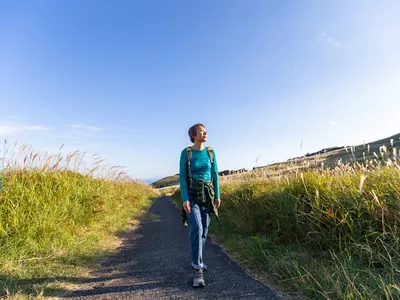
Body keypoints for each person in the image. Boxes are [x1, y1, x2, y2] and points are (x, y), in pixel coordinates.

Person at [179, 123, 221, 288]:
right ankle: (197, 269)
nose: (205, 134)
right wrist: (184, 198)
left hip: (208, 194)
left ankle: (199, 261)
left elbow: (215, 174)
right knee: (196, 228)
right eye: (202, 132)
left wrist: (217, 195)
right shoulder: (187, 153)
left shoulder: (210, 152)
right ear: (194, 135)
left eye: (206, 131)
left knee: (204, 231)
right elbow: (182, 176)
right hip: (192, 193)